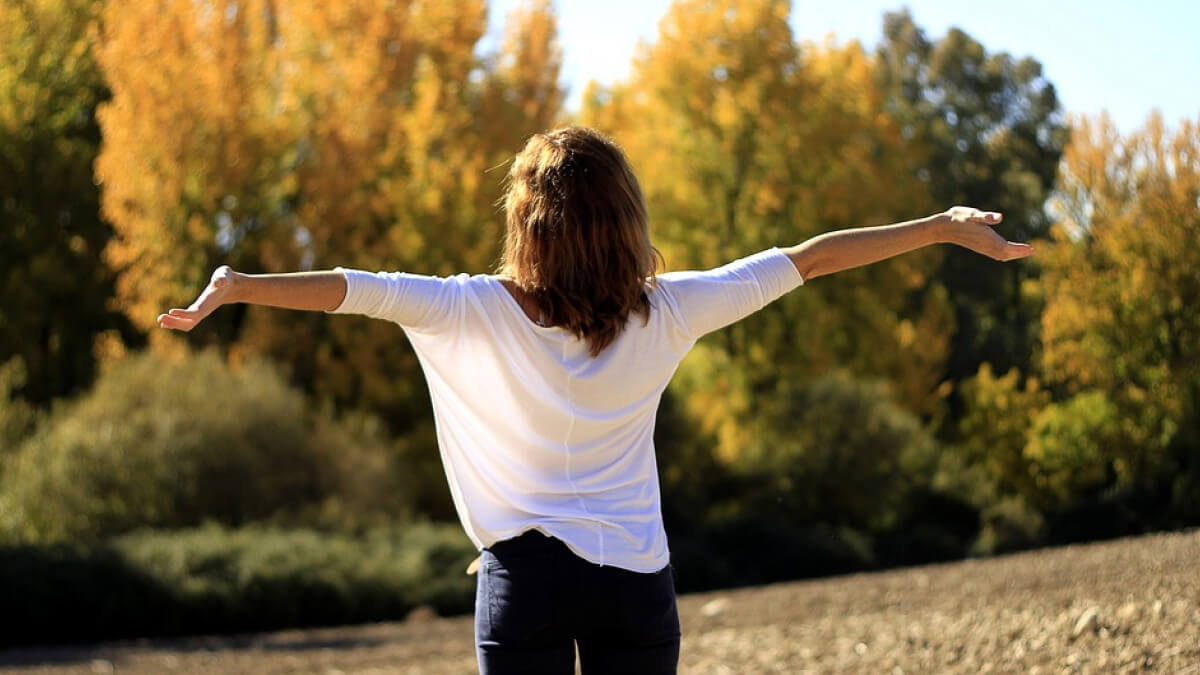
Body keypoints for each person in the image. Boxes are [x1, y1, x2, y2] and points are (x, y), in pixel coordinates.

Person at [158, 126, 1033, 674]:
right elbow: (812, 258)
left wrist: (240, 287)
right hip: (635, 582)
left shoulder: (469, 308)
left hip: (524, 583)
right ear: (627, 220)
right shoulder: (671, 309)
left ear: (525, 225)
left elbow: (353, 289)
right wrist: (939, 227)